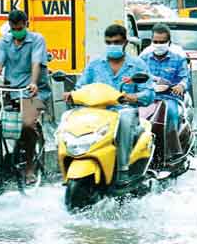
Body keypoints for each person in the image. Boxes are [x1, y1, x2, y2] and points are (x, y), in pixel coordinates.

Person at [64, 24, 154, 184]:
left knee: (125, 117)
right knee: (69, 116)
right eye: (109, 42)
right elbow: (81, 86)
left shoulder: (137, 65)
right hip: (97, 114)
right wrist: (72, 94)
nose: (113, 45)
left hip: (123, 112)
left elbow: (149, 94)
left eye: (117, 42)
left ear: (125, 42)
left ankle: (123, 169)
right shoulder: (95, 64)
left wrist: (132, 97)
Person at [0, 10, 49, 184]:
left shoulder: (37, 39)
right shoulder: (5, 41)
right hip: (11, 88)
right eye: (14, 28)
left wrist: (34, 82)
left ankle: (29, 167)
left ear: (26, 24)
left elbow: (36, 63)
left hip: (33, 90)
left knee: (27, 125)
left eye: (20, 28)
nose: (17, 31)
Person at [140, 23, 190, 160]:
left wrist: (180, 86)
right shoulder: (143, 59)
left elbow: (185, 79)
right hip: (147, 97)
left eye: (162, 42)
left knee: (170, 115)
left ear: (169, 42)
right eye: (155, 41)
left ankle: (171, 153)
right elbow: (135, 76)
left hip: (170, 98)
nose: (158, 44)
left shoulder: (178, 59)